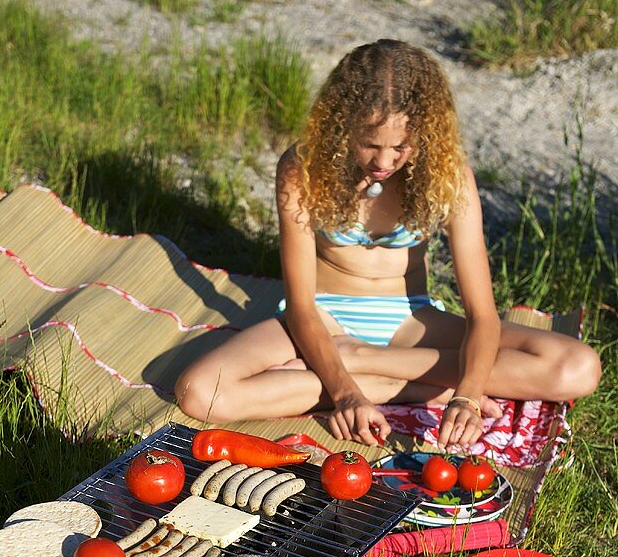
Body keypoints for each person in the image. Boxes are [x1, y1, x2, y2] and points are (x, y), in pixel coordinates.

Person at [175, 39, 601, 450]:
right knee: (200, 392)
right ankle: (415, 388)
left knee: (579, 368)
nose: (383, 161)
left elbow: (482, 315)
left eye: (400, 146)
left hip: (409, 318)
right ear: (342, 124)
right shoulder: (303, 168)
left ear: (426, 132)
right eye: (370, 144)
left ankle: (362, 361)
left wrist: (466, 396)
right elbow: (302, 306)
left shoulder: (448, 174)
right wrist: (344, 394)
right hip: (325, 317)